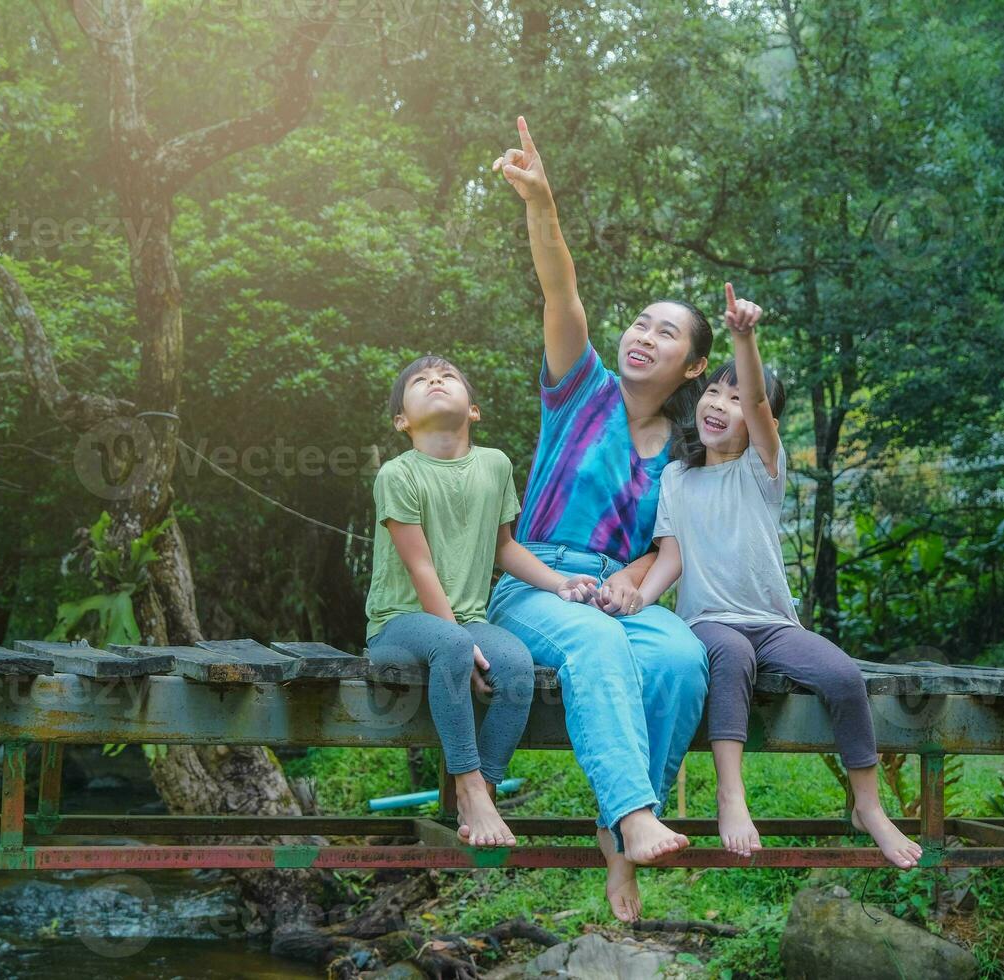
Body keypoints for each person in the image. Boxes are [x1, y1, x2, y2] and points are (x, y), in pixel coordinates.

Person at [487, 116, 711, 921]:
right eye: (642, 321)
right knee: (591, 639)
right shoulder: (578, 389)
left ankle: (619, 833)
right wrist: (541, 203)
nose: (645, 335)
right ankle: (634, 818)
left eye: (667, 331)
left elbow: (667, 551)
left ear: (693, 366)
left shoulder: (685, 454)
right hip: (535, 580)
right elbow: (561, 287)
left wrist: (633, 587)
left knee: (684, 657)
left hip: (620, 594)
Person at [637, 283, 924, 869]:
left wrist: (744, 337)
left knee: (843, 675)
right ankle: (731, 794)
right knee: (731, 657)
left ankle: (867, 804)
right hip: (709, 622)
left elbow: (764, 414)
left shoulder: (761, 469)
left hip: (772, 622)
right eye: (713, 392)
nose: (720, 403)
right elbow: (670, 557)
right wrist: (634, 599)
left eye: (737, 399)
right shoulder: (675, 479)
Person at [365, 354, 599, 847]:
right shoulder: (398, 474)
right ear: (401, 421)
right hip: (398, 624)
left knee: (515, 664)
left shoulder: (494, 465)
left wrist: (558, 582)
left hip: (467, 620)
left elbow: (505, 547)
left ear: (473, 410)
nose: (435, 380)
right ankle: (467, 785)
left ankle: (485, 789)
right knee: (453, 643)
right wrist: (458, 640)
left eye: (447, 376)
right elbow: (421, 567)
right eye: (421, 380)